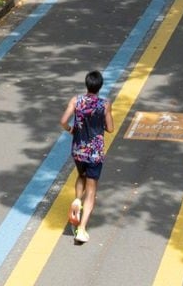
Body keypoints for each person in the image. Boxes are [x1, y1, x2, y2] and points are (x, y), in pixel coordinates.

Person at [61, 69, 115, 244]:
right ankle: (82, 229)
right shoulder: (104, 104)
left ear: (87, 84)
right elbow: (110, 128)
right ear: (100, 86)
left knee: (81, 175)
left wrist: (71, 130)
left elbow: (63, 121)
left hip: (78, 149)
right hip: (94, 153)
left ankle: (77, 200)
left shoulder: (76, 100)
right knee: (91, 191)